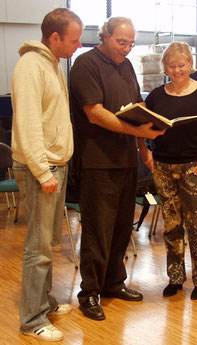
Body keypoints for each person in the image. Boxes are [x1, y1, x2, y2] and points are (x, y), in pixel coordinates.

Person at [69, 17, 164, 321]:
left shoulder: (126, 66)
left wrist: (143, 148)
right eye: (121, 42)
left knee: (123, 227)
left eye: (131, 43)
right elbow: (95, 114)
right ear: (105, 36)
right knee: (98, 229)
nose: (126, 48)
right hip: (97, 161)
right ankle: (90, 293)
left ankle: (113, 283)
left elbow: (137, 109)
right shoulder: (85, 64)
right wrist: (140, 135)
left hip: (126, 160)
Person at [11, 8, 83, 342]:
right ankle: (32, 319)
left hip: (56, 165)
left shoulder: (52, 65)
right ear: (54, 37)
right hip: (42, 169)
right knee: (37, 248)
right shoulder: (30, 66)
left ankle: (44, 300)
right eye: (74, 39)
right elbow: (27, 124)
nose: (78, 45)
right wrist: (42, 171)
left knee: (49, 243)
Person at [138, 42, 197, 300]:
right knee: (172, 224)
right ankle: (175, 277)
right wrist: (147, 151)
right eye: (172, 66)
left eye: (181, 65)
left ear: (191, 65)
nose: (177, 71)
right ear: (165, 67)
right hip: (163, 166)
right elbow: (145, 128)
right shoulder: (156, 95)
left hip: (195, 167)